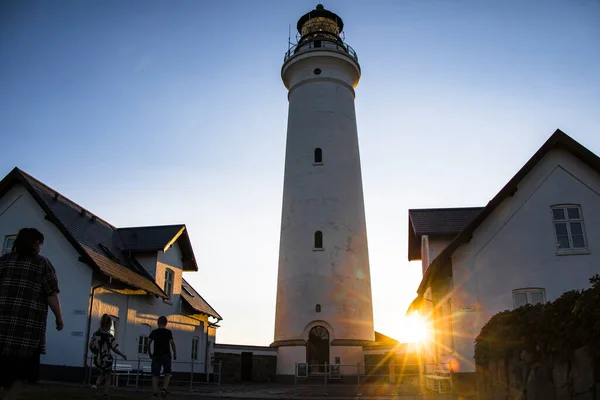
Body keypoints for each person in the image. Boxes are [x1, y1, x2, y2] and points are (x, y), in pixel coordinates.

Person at [0, 228, 64, 400]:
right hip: (27, 331)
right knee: (18, 378)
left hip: (2, 328)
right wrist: (59, 318)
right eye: (40, 244)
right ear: (36, 243)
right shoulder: (42, 264)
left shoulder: (4, 261)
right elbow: (51, 294)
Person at [89, 314, 127, 398]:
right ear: (109, 324)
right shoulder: (109, 336)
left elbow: (91, 345)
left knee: (102, 373)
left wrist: (95, 352)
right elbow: (114, 348)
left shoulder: (96, 334)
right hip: (107, 359)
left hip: (98, 358)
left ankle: (96, 386)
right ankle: (105, 393)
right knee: (108, 376)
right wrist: (122, 354)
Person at [148, 316, 177, 398]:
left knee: (155, 374)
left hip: (156, 355)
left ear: (158, 323)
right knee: (167, 373)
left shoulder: (154, 332)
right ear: (166, 323)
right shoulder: (168, 332)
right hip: (166, 354)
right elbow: (172, 343)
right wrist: (175, 352)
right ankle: (164, 389)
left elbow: (148, 343)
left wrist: (150, 353)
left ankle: (154, 393)